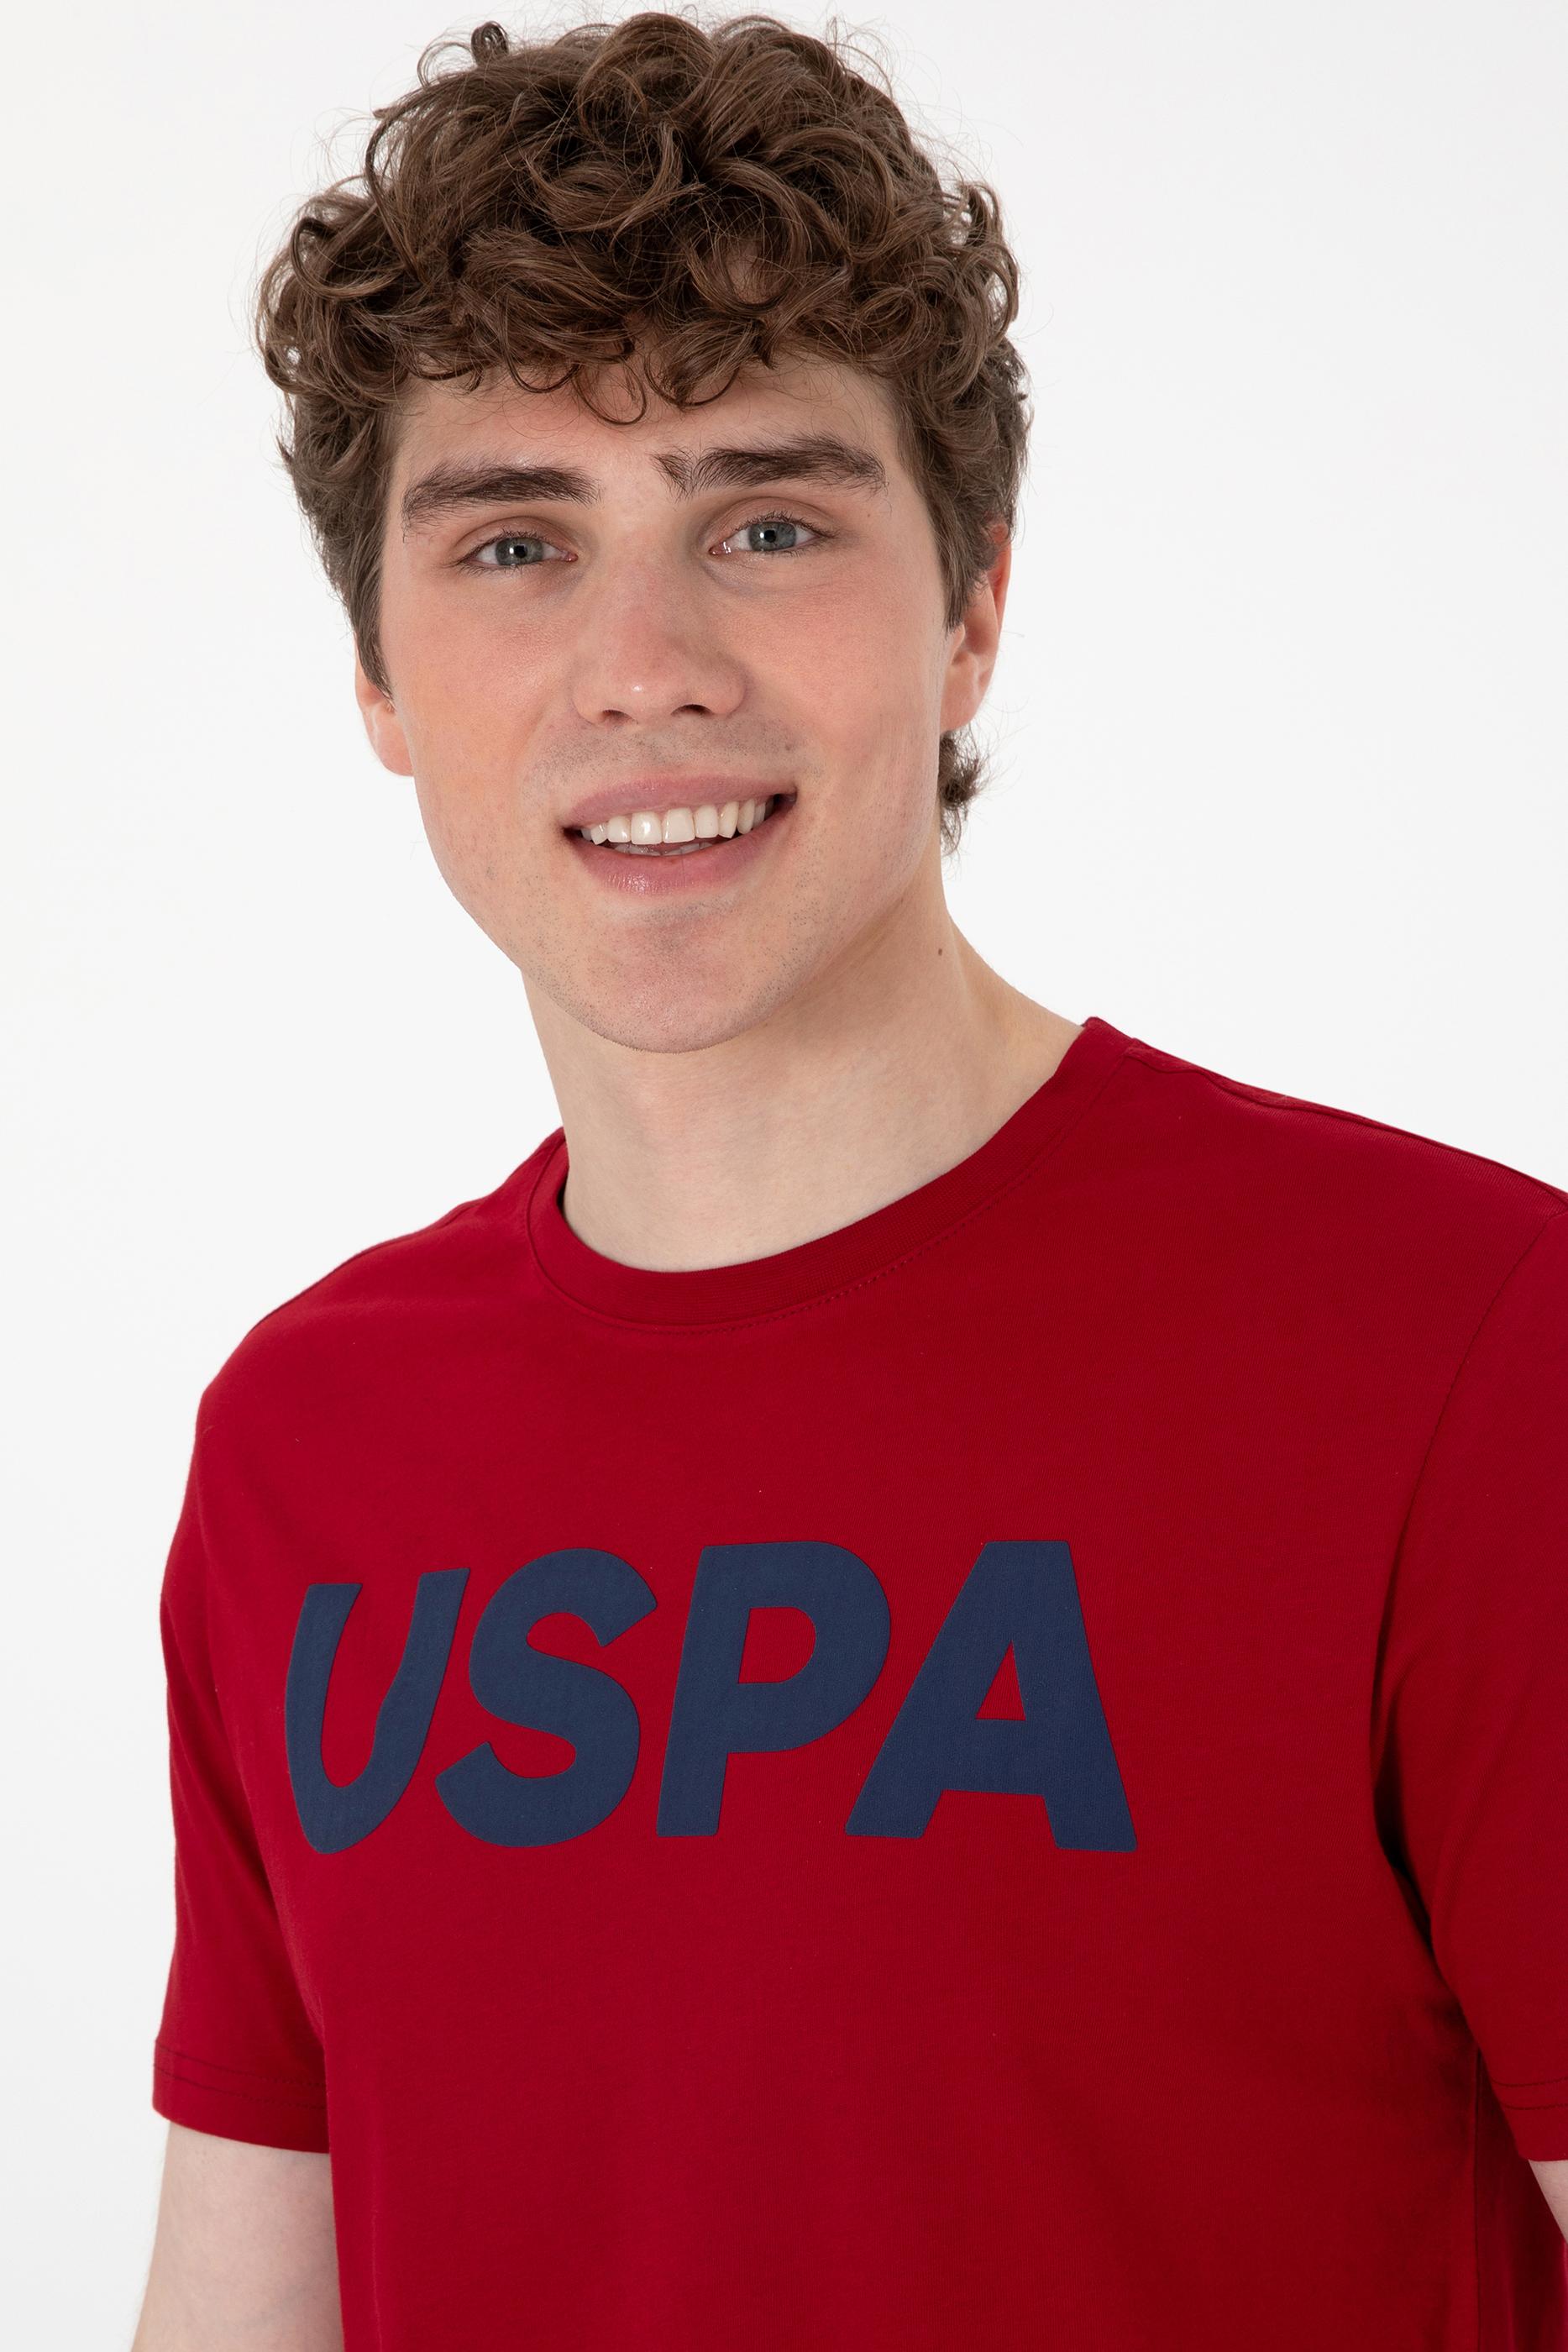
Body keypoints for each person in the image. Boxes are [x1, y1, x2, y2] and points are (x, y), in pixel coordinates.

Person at [132, 13, 1568, 2349]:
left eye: (768, 524)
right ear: (378, 676)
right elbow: (243, 2295)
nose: (644, 667)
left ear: (971, 606)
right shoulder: (308, 1439)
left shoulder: (1469, 1351)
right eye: (515, 542)